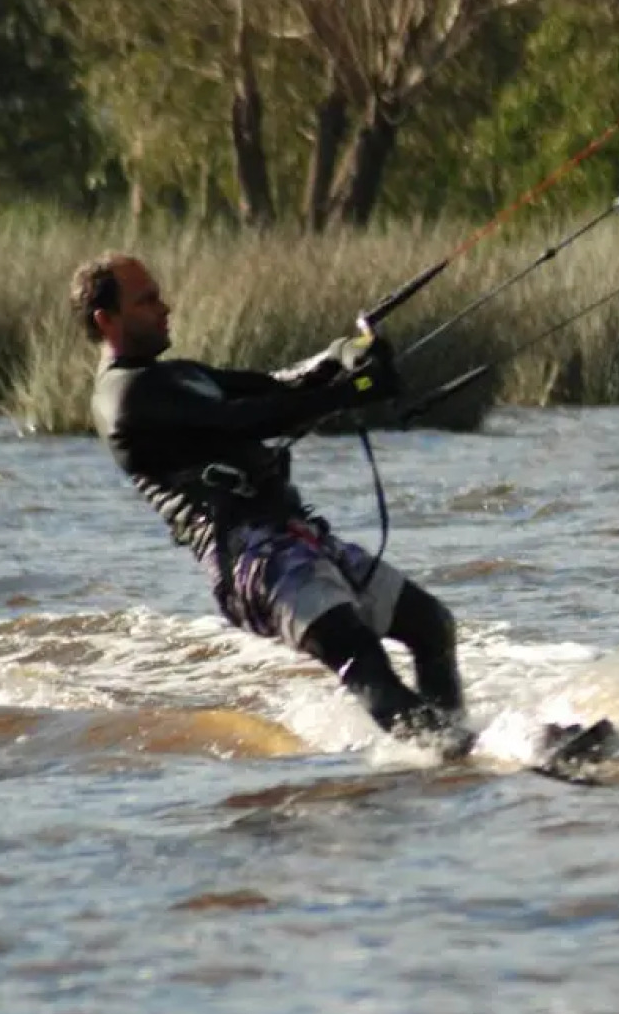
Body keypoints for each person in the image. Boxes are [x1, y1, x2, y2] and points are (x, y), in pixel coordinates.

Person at [71, 252, 475, 759]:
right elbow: (246, 419)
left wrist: (345, 353)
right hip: (250, 559)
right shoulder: (123, 398)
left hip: (297, 536)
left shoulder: (179, 375)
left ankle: (450, 755)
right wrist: (353, 393)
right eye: (147, 300)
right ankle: (461, 753)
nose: (164, 306)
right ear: (106, 321)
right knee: (360, 653)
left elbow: (281, 384)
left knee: (431, 626)